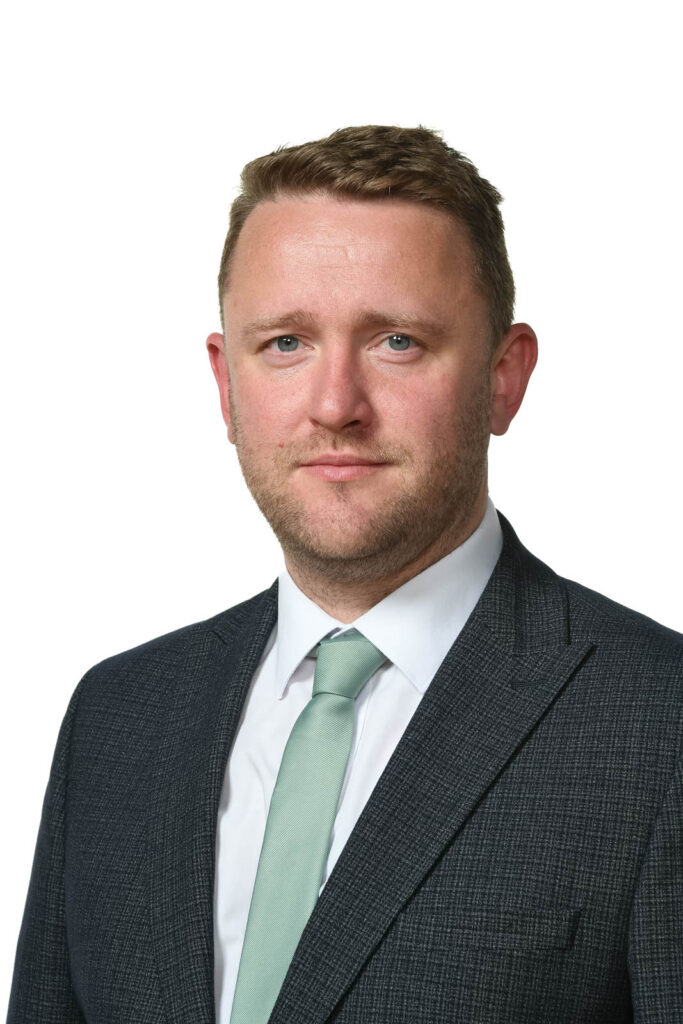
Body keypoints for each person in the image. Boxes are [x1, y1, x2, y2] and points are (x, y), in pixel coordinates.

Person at [7, 125, 682, 1024]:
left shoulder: (658, 724)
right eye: (284, 343)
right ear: (226, 384)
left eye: (396, 340)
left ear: (503, 378)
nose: (334, 406)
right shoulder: (118, 718)